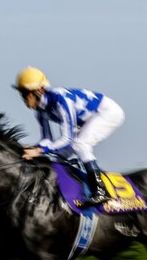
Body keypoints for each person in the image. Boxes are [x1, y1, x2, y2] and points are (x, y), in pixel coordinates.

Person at [13, 67, 125, 208]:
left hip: (108, 112)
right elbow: (47, 140)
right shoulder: (40, 111)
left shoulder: (60, 100)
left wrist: (40, 151)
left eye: (25, 93)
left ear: (39, 91)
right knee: (61, 155)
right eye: (21, 94)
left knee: (80, 144)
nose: (23, 98)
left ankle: (101, 190)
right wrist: (34, 148)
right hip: (87, 120)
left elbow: (67, 139)